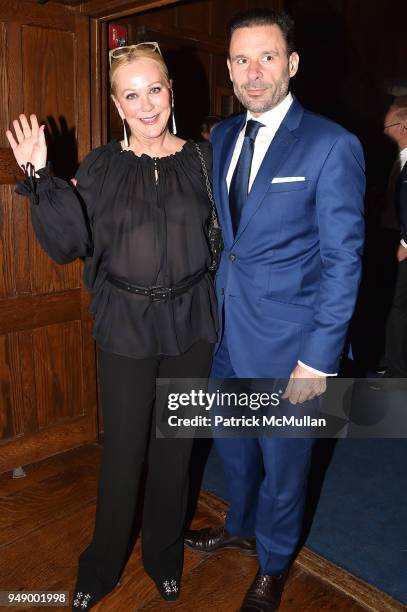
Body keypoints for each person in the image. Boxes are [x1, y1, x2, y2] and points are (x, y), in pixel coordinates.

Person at [6, 43, 217, 611]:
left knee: (175, 450)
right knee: (124, 454)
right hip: (125, 323)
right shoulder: (101, 165)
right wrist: (39, 175)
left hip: (192, 322)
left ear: (170, 91)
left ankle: (163, 558)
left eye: (155, 89)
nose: (146, 104)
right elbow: (70, 243)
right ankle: (99, 569)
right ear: (117, 105)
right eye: (132, 94)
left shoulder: (205, 160)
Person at [184, 9, 365, 612]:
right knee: (234, 447)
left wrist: (319, 360)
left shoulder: (332, 144)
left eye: (266, 57)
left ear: (291, 63)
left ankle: (274, 560)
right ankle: (240, 524)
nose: (252, 71)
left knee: (286, 464)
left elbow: (344, 261)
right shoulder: (227, 137)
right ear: (229, 69)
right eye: (240, 59)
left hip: (291, 347)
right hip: (227, 337)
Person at [382, 102, 407, 377]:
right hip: (390, 238)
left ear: (401, 128)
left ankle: (397, 372)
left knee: (397, 309)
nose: (383, 132)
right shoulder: (397, 158)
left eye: (386, 127)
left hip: (401, 245)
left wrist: (405, 244)